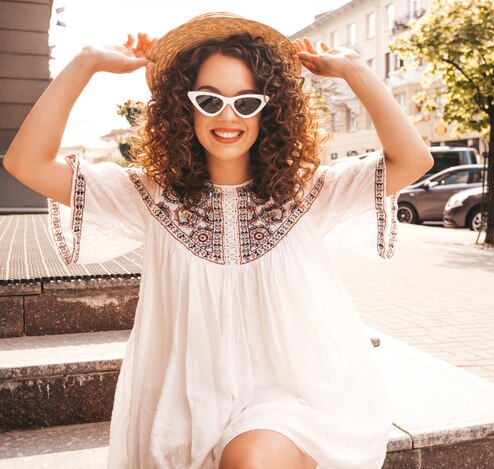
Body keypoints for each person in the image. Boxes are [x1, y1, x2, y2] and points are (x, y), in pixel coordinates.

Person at [3, 11, 433, 469]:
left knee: (249, 459)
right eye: (209, 100)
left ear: (269, 110)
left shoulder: (309, 193)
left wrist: (357, 70)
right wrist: (85, 62)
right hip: (183, 412)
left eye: (246, 103)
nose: (228, 116)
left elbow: (412, 160)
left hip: (291, 404)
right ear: (183, 106)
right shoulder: (150, 196)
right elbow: (25, 163)